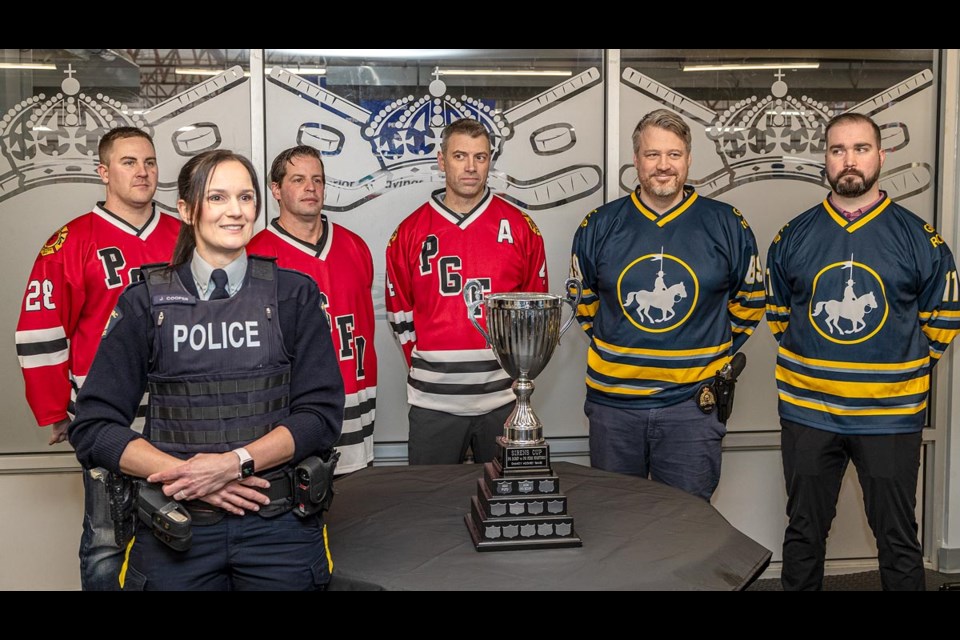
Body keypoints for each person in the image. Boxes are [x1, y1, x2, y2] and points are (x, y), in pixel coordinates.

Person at [68, 150, 344, 590]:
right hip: (176, 528)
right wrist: (192, 478)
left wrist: (233, 464)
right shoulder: (143, 303)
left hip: (278, 528)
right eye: (217, 197)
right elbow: (95, 427)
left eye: (246, 197)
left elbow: (321, 416)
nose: (235, 210)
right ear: (186, 209)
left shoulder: (294, 296)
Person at [765, 112, 960, 590]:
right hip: (810, 413)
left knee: (897, 539)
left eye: (860, 149)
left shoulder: (921, 238)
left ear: (881, 156)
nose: (848, 160)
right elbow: (777, 317)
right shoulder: (792, 235)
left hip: (890, 418)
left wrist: (897, 373)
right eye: (837, 150)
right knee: (804, 534)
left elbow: (944, 319)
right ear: (825, 159)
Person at [570, 108, 764, 501]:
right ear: (636, 160)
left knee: (688, 528)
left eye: (674, 155)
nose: (663, 166)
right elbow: (585, 305)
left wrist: (707, 349)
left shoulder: (727, 223)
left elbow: (750, 302)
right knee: (613, 525)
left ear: (689, 160)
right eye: (652, 154)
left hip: (692, 409)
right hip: (614, 409)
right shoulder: (599, 225)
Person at [15, 127, 179, 590]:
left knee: (184, 530)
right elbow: (39, 331)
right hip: (109, 415)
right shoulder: (70, 241)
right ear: (103, 172)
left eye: (149, 162)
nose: (142, 172)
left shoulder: (183, 237)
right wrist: (55, 410)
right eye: (129, 162)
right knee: (108, 536)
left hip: (181, 410)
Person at [385, 118, 548, 465]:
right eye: (460, 156)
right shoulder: (409, 232)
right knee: (431, 505)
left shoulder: (521, 228)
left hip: (504, 401)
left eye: (481, 157)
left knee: (505, 506)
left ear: (490, 161)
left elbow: (535, 315)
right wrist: (434, 370)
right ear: (442, 161)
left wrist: (512, 371)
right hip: (433, 405)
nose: (471, 167)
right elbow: (400, 315)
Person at [248, 146, 377, 474]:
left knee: (359, 513)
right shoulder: (254, 256)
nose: (310, 187)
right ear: (276, 189)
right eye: (298, 179)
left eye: (317, 179)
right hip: (289, 418)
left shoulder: (355, 246)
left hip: (355, 407)